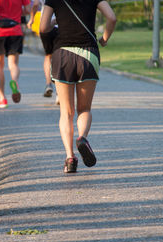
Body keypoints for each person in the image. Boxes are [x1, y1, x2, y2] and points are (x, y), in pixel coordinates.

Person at [40, 0, 116, 173]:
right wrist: (104, 39)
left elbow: (43, 28)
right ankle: (82, 138)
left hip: (62, 55)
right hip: (89, 54)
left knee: (66, 112)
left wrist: (54, 21)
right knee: (84, 109)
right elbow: (112, 17)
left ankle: (70, 158)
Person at [28, 0, 58, 101]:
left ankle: (48, 84)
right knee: (60, 55)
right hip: (61, 24)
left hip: (45, 25)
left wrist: (32, 18)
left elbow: (36, 4)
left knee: (48, 55)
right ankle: (60, 89)